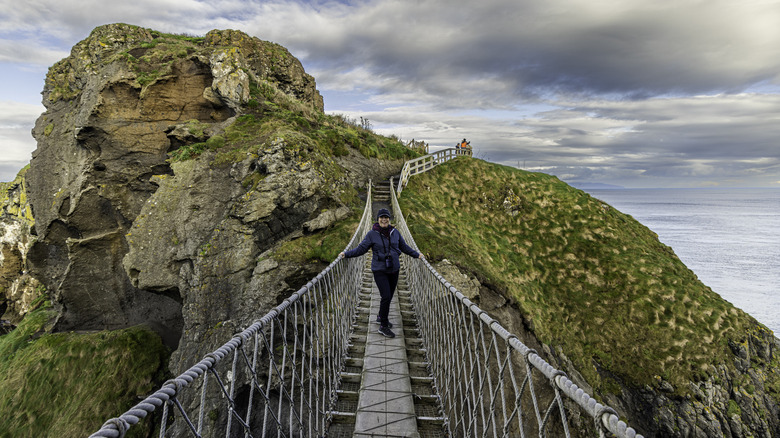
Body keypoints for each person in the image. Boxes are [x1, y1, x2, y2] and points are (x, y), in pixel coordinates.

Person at [339, 208, 424, 338]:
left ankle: (380, 316)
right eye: (381, 217)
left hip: (394, 269)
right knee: (385, 296)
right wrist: (346, 254)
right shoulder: (371, 234)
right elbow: (361, 249)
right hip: (379, 270)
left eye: (386, 217)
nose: (384, 219)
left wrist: (417, 254)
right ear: (377, 219)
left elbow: (404, 247)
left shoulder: (395, 232)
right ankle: (383, 326)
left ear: (389, 219)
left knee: (389, 296)